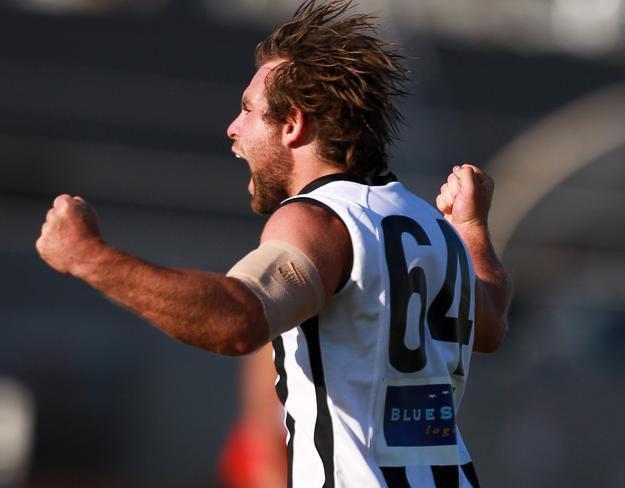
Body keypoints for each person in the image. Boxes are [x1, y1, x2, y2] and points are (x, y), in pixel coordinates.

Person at [36, 1, 512, 486]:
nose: (233, 128)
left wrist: (87, 256)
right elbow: (491, 324)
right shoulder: (429, 223)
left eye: (248, 110)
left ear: (292, 125)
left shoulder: (318, 218)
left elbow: (239, 321)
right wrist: (472, 228)